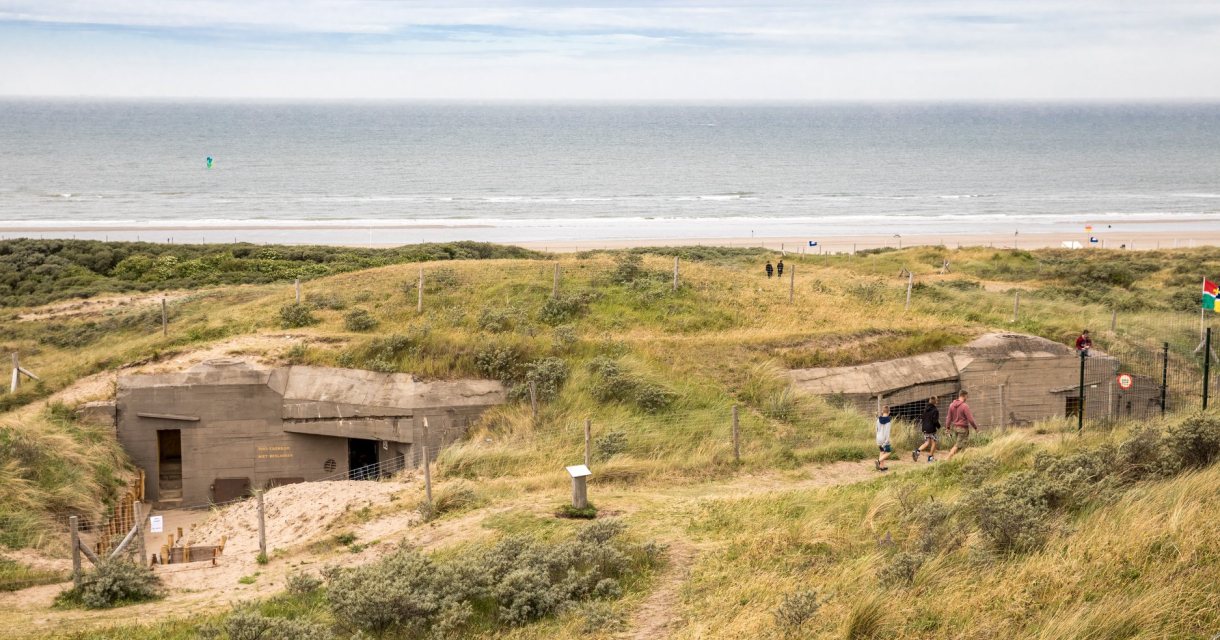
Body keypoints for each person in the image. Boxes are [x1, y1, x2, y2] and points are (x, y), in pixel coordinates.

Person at [945, 390, 978, 461]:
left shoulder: (951, 405)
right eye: (967, 396)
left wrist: (948, 427)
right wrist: (975, 428)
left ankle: (958, 461)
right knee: (958, 446)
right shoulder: (964, 406)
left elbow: (948, 418)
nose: (967, 398)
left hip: (955, 428)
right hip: (963, 429)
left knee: (961, 446)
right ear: (964, 395)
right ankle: (946, 459)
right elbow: (970, 419)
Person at [913, 396, 940, 462]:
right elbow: (935, 421)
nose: (938, 401)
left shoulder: (925, 409)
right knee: (934, 442)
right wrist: (939, 426)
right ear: (935, 402)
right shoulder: (935, 410)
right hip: (931, 429)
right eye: (937, 400)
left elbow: (923, 418)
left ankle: (917, 451)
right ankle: (930, 458)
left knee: (927, 442)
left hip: (925, 428)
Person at [875, 405, 893, 471]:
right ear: (889, 412)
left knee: (882, 451)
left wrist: (877, 438)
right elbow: (887, 432)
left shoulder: (878, 419)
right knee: (888, 452)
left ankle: (881, 467)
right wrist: (887, 441)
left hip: (878, 438)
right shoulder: (888, 421)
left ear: (882, 411)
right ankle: (878, 461)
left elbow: (876, 429)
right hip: (884, 439)